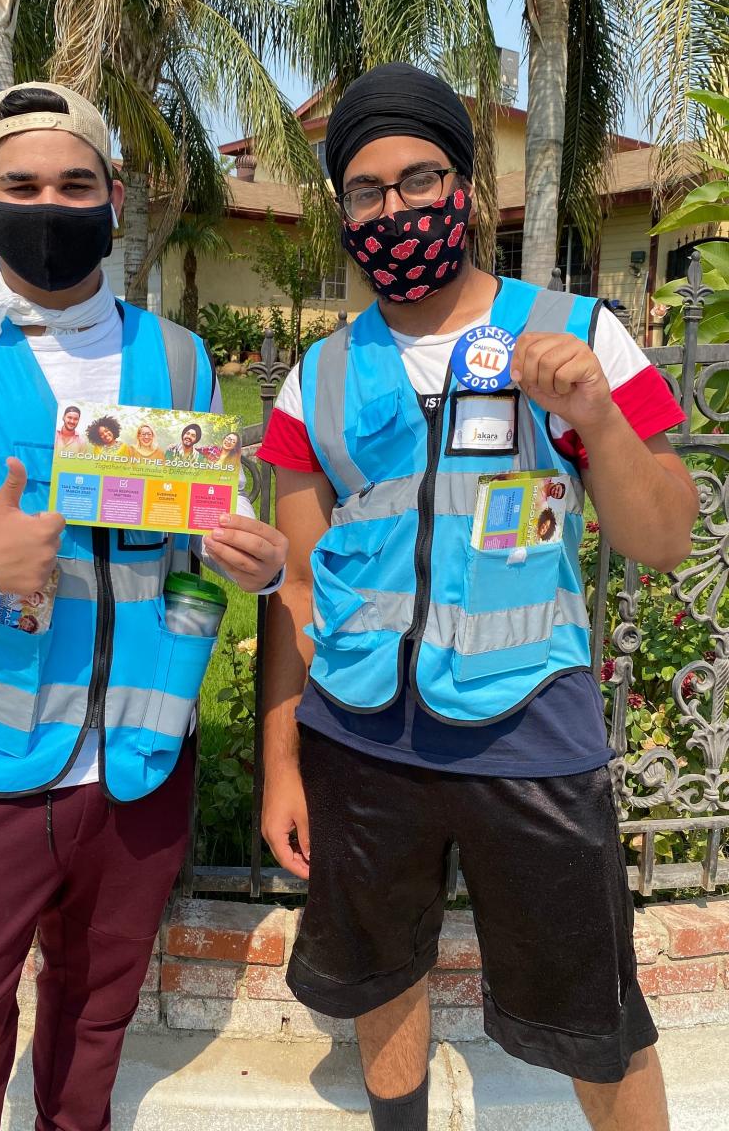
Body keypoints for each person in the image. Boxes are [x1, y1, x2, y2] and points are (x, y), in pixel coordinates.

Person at [0, 81, 288, 1131]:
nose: (50, 203)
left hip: (135, 763)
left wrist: (251, 561)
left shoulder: (178, 358)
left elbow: (192, 551)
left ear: (113, 196)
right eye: (22, 184)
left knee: (88, 1048)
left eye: (76, 183)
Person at [257, 62, 698, 1131]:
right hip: (361, 738)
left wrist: (595, 414)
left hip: (529, 736)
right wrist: (280, 759)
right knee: (380, 979)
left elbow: (666, 536)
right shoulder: (312, 376)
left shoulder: (578, 331)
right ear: (343, 209)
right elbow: (298, 586)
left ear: (466, 183)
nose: (395, 207)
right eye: (367, 190)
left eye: (420, 178)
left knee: (597, 1012)